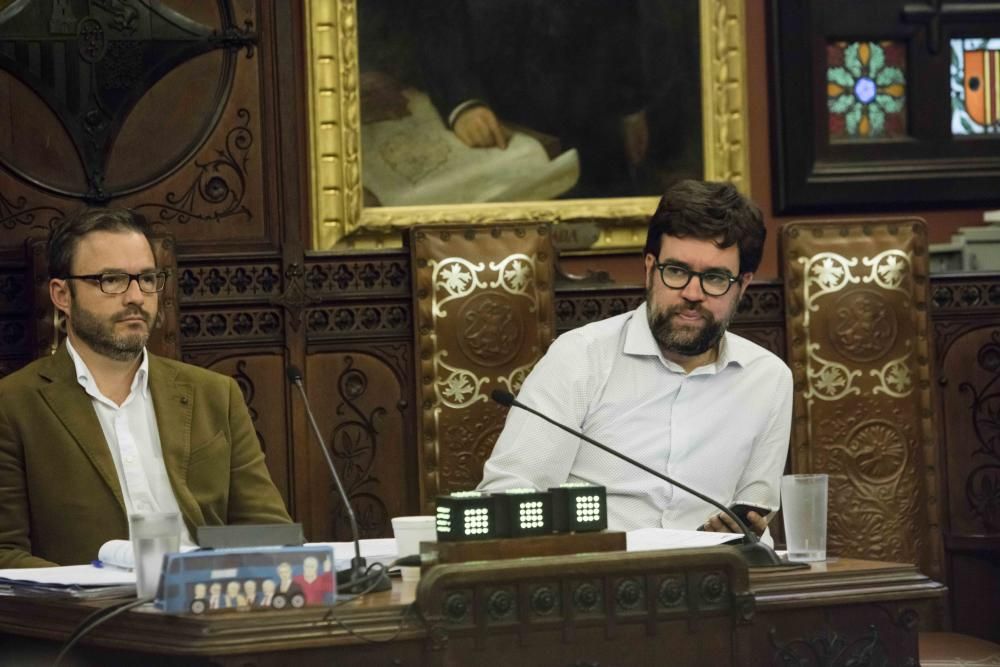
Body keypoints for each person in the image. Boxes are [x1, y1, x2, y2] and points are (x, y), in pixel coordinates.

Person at [479, 180, 792, 538]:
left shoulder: (768, 379)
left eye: (715, 278)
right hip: (595, 576)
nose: (692, 294)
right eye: (676, 271)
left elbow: (755, 513)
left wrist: (740, 529)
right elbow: (503, 495)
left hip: (710, 578)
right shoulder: (581, 358)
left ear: (743, 284)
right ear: (649, 268)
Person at [0, 208, 291, 568]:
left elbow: (271, 534)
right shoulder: (14, 405)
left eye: (147, 279)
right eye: (112, 280)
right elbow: (5, 555)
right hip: (94, 616)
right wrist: (92, 592)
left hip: (211, 605)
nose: (136, 296)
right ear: (62, 295)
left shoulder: (215, 395)